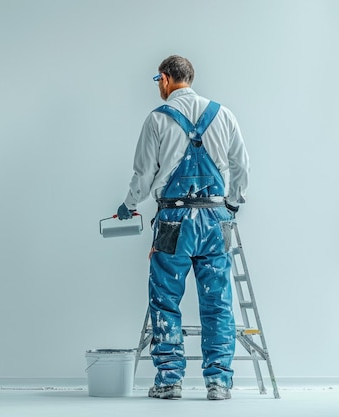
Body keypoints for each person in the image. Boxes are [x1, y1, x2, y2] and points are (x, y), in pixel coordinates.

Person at [117, 55, 249, 400]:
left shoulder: (157, 119)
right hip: (214, 219)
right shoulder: (224, 114)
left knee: (165, 299)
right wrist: (233, 203)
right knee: (218, 302)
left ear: (164, 79)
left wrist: (129, 205)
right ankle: (219, 383)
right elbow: (241, 165)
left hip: (174, 220)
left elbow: (144, 175)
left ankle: (169, 381)